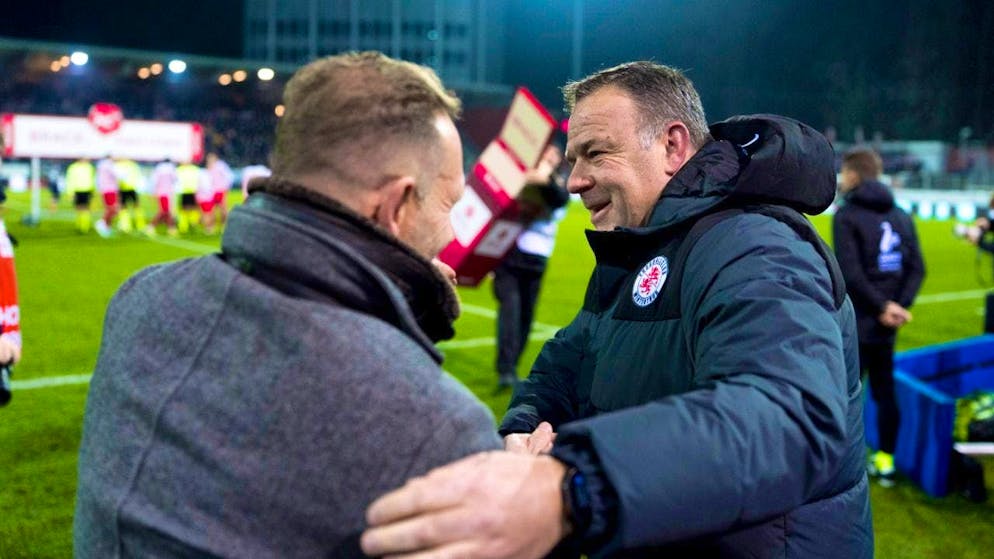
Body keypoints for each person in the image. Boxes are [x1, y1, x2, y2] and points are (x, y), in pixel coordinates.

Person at [361, 61, 872, 559]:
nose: (574, 181)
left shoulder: (752, 244)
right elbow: (570, 362)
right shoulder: (644, 246)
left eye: (596, 153)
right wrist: (523, 432)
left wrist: (574, 488)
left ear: (673, 145)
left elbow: (787, 415)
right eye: (572, 160)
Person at [74, 51, 502, 557]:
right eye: (448, 204)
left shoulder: (139, 298)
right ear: (395, 206)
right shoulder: (442, 427)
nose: (451, 231)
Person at [834, 148, 925, 487]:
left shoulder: (847, 214)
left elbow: (850, 274)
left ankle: (839, 466)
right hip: (888, 326)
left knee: (843, 395)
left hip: (858, 323)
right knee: (885, 393)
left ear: (854, 173)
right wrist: (896, 307)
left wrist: (880, 307)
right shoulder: (900, 214)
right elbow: (917, 268)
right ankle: (885, 462)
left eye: (844, 172)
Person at [494, 143, 569, 388]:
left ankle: (512, 364)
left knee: (526, 316)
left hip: (538, 259)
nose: (550, 156)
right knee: (511, 312)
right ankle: (505, 369)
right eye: (546, 152)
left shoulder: (557, 187)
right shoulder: (524, 178)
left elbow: (556, 198)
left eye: (554, 154)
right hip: (513, 255)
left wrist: (543, 174)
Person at [146, 158, 178, 236]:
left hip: (162, 192)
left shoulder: (159, 168)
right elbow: (175, 179)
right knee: (165, 211)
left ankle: (171, 228)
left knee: (166, 211)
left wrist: (153, 192)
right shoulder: (171, 168)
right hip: (166, 193)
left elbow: (154, 181)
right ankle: (151, 226)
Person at [114, 157, 146, 233]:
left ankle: (127, 226)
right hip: (130, 188)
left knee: (125, 207)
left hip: (126, 188)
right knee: (135, 206)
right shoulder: (133, 165)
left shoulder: (119, 165)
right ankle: (138, 225)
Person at [65, 157, 96, 233]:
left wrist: (93, 190)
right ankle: (80, 225)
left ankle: (85, 226)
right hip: (77, 190)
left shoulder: (89, 167)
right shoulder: (73, 167)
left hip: (87, 189)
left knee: (86, 208)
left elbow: (93, 179)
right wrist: (70, 192)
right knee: (79, 208)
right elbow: (70, 180)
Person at [206, 152, 234, 228]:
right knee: (212, 209)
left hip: (221, 190)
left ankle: (226, 224)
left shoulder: (221, 165)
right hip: (212, 191)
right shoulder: (209, 167)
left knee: (223, 208)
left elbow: (229, 176)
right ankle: (212, 225)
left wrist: (226, 187)